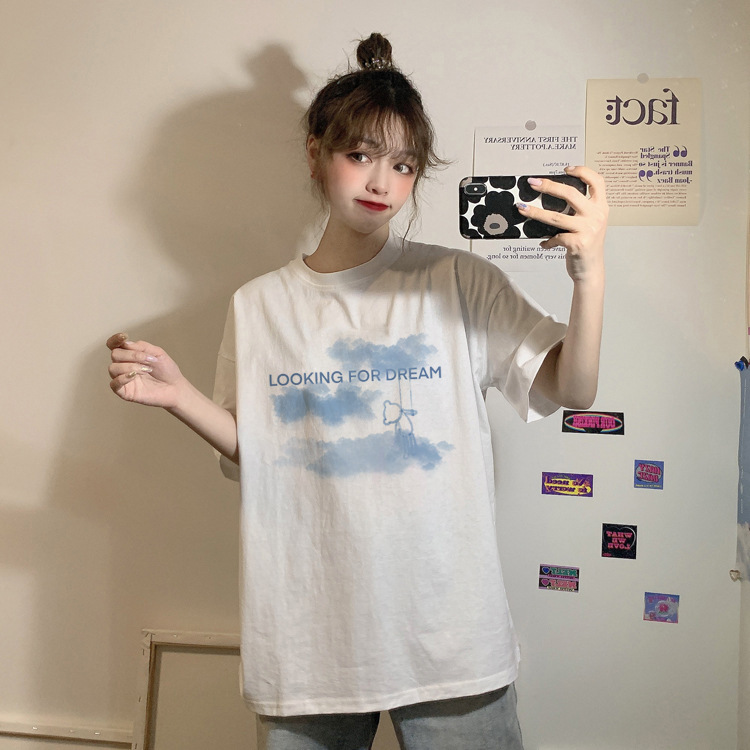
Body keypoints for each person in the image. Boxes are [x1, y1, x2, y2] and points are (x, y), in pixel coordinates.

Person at [107, 32, 607, 750]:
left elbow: (574, 389)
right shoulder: (260, 305)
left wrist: (589, 274)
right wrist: (182, 395)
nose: (381, 183)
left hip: (448, 637)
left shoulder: (458, 282)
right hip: (311, 638)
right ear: (316, 152)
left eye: (403, 165)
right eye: (361, 155)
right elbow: (263, 452)